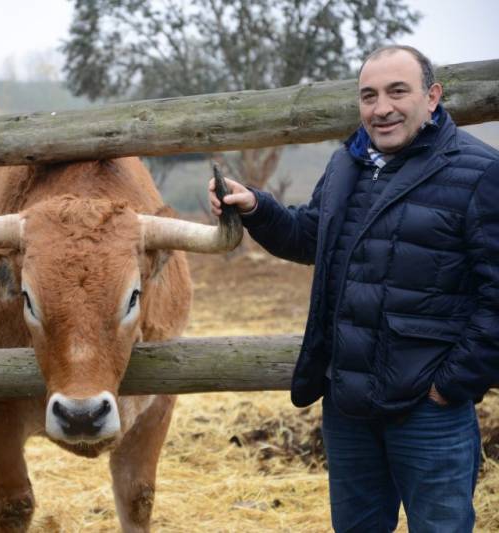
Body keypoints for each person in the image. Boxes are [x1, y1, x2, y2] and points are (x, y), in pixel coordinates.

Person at [210, 45, 499, 531]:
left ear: (432, 97)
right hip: (347, 406)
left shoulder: (480, 172)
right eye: (369, 95)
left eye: (396, 92)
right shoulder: (347, 163)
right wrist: (256, 206)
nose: (381, 107)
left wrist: (450, 386)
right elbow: (309, 236)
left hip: (427, 410)